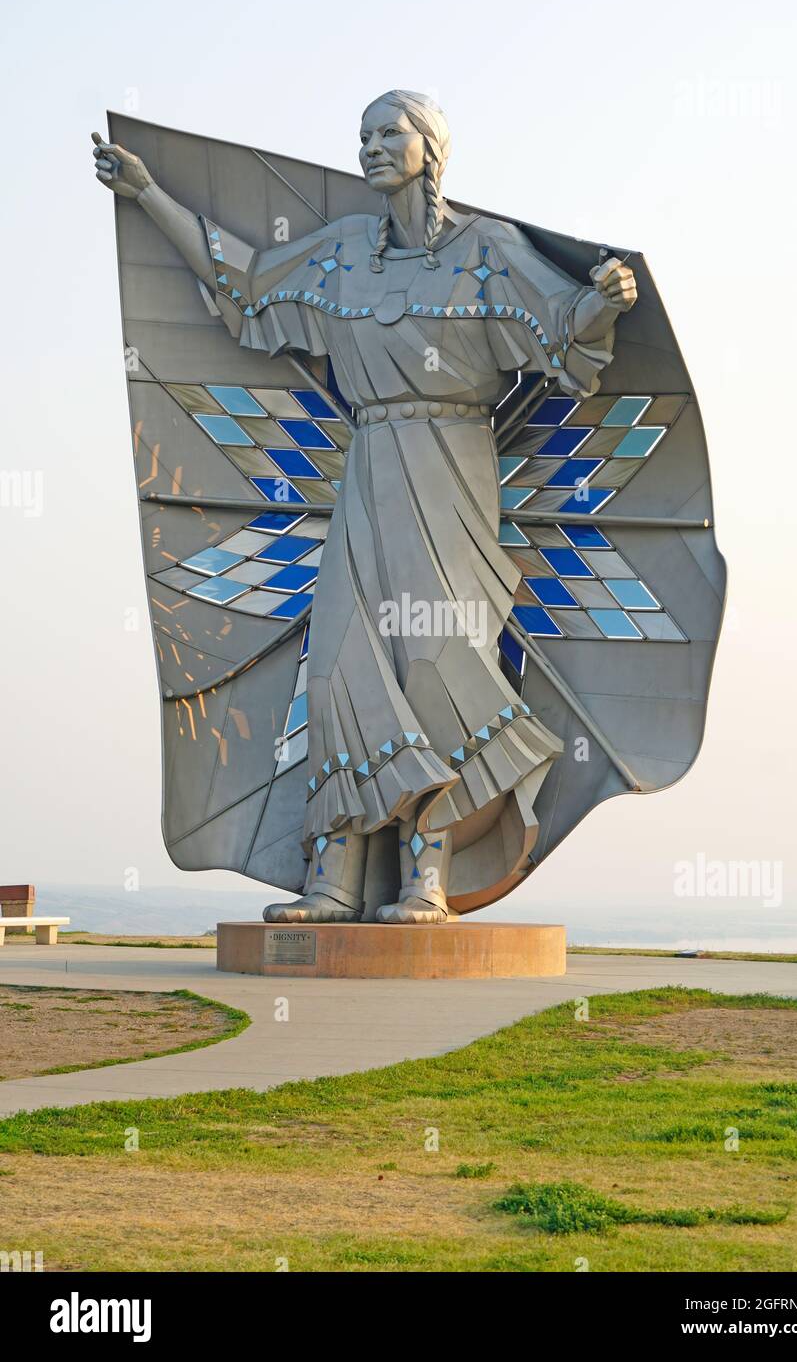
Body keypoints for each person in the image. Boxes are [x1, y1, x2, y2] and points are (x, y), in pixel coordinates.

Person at [93, 89, 637, 924]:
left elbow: (564, 330)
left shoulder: (487, 250)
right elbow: (244, 282)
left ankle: (425, 877)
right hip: (368, 461)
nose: (372, 147)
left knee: (436, 660)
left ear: (431, 148)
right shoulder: (344, 251)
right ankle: (335, 877)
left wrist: (607, 296)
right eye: (364, 136)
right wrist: (147, 194)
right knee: (342, 665)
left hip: (452, 463)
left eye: (390, 133)